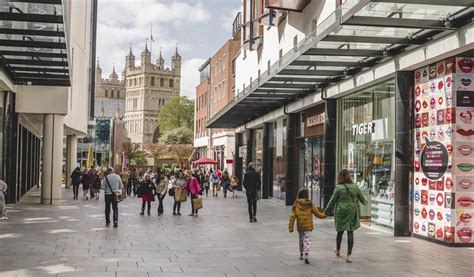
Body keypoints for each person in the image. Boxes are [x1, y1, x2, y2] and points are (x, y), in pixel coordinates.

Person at [324, 169, 368, 263]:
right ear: (349, 176)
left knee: (340, 231)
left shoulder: (338, 188)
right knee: (350, 232)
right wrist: (366, 200)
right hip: (352, 211)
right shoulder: (355, 187)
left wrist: (325, 212)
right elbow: (362, 200)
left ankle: (338, 250)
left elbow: (332, 201)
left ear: (339, 177)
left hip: (341, 211)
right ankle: (349, 255)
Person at [289, 188, 327, 264]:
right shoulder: (310, 204)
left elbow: (292, 216)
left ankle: (301, 254)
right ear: (307, 195)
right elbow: (317, 213)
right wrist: (324, 216)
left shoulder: (296, 204)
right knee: (307, 240)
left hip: (300, 226)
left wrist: (291, 227)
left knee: (301, 240)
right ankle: (306, 254)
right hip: (308, 227)